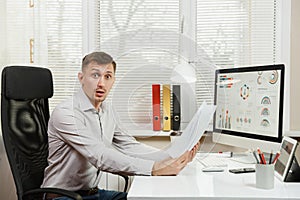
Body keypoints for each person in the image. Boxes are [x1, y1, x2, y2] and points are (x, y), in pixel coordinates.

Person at [41, 51, 199, 200]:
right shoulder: (66, 113)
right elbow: (99, 155)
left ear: (113, 81)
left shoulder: (107, 110)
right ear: (81, 78)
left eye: (107, 76)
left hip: (93, 193)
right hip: (62, 196)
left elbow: (130, 146)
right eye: (95, 75)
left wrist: (172, 156)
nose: (101, 83)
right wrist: (154, 168)